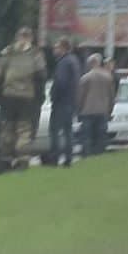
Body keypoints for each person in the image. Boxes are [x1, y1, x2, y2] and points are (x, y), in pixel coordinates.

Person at [0, 27, 47, 170]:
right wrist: (40, 97)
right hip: (27, 97)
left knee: (7, 127)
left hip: (8, 95)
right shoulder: (36, 54)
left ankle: (5, 158)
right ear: (30, 38)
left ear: (17, 37)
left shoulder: (7, 52)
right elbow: (41, 77)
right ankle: (22, 159)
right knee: (24, 128)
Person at [48, 37, 81, 167]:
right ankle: (68, 158)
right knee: (68, 131)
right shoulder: (74, 61)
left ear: (63, 48)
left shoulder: (63, 62)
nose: (55, 49)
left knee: (54, 131)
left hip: (61, 102)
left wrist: (53, 96)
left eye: (57, 47)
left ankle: (54, 158)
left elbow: (60, 82)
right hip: (71, 101)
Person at [78, 54, 116, 157]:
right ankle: (99, 155)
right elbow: (111, 96)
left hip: (87, 112)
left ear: (91, 63)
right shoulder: (108, 77)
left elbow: (80, 96)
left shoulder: (85, 78)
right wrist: (110, 110)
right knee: (101, 136)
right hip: (102, 112)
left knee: (86, 136)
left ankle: (86, 155)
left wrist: (79, 110)